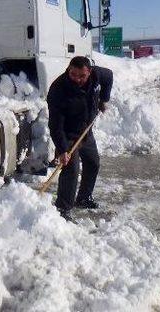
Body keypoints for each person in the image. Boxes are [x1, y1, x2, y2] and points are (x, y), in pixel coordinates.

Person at [46, 56, 113, 222]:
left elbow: (109, 76)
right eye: (73, 74)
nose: (76, 78)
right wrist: (62, 149)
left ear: (89, 72)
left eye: (81, 76)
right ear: (68, 69)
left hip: (85, 129)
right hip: (67, 135)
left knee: (93, 163)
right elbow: (55, 125)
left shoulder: (98, 75)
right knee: (71, 169)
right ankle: (63, 209)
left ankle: (84, 198)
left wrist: (103, 99)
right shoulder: (58, 90)